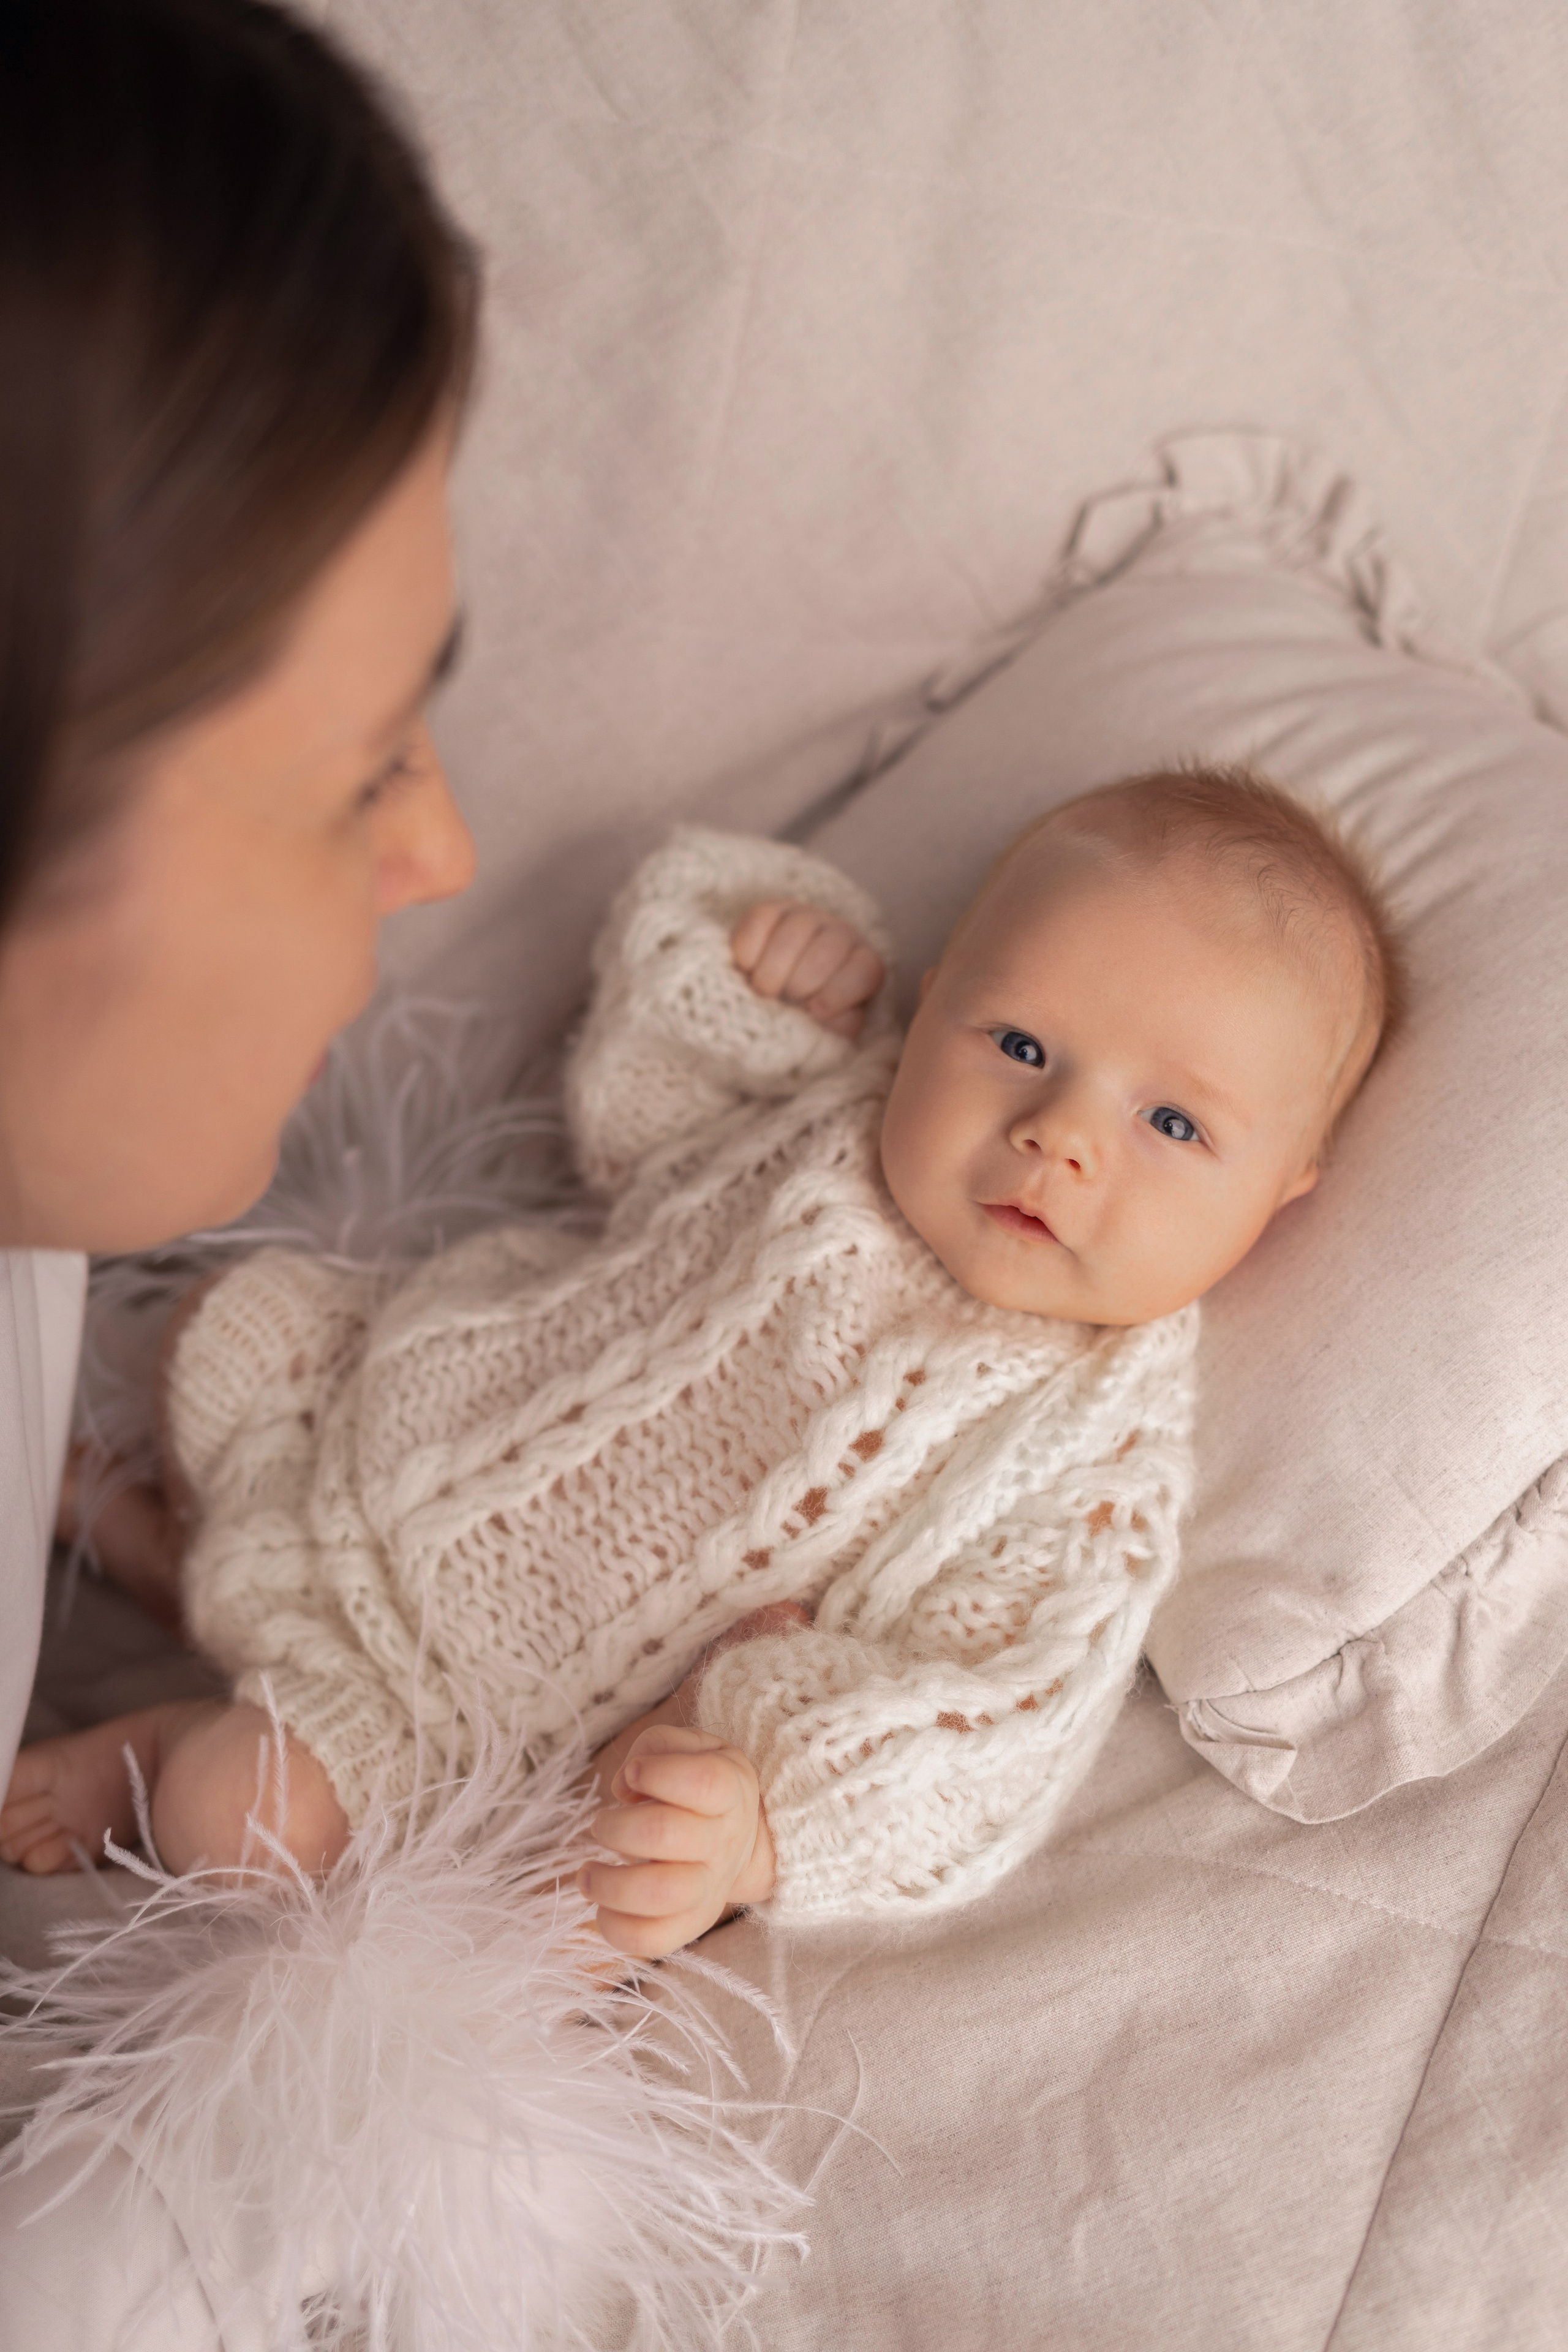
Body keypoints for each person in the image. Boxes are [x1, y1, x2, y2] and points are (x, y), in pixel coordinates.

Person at [2, 768, 1404, 1956]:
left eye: (1171, 1126)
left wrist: (758, 1826)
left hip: (466, 1719)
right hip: (402, 1426)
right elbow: (638, 1105)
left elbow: (990, 1719)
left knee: (234, 1822)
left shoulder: (1088, 1450)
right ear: (930, 1010)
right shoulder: (832, 1110)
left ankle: (142, 1752)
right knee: (230, 1329)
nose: (1059, 1133)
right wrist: (764, 966)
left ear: (1285, 1187)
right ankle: (172, 1549)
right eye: (1021, 1042)